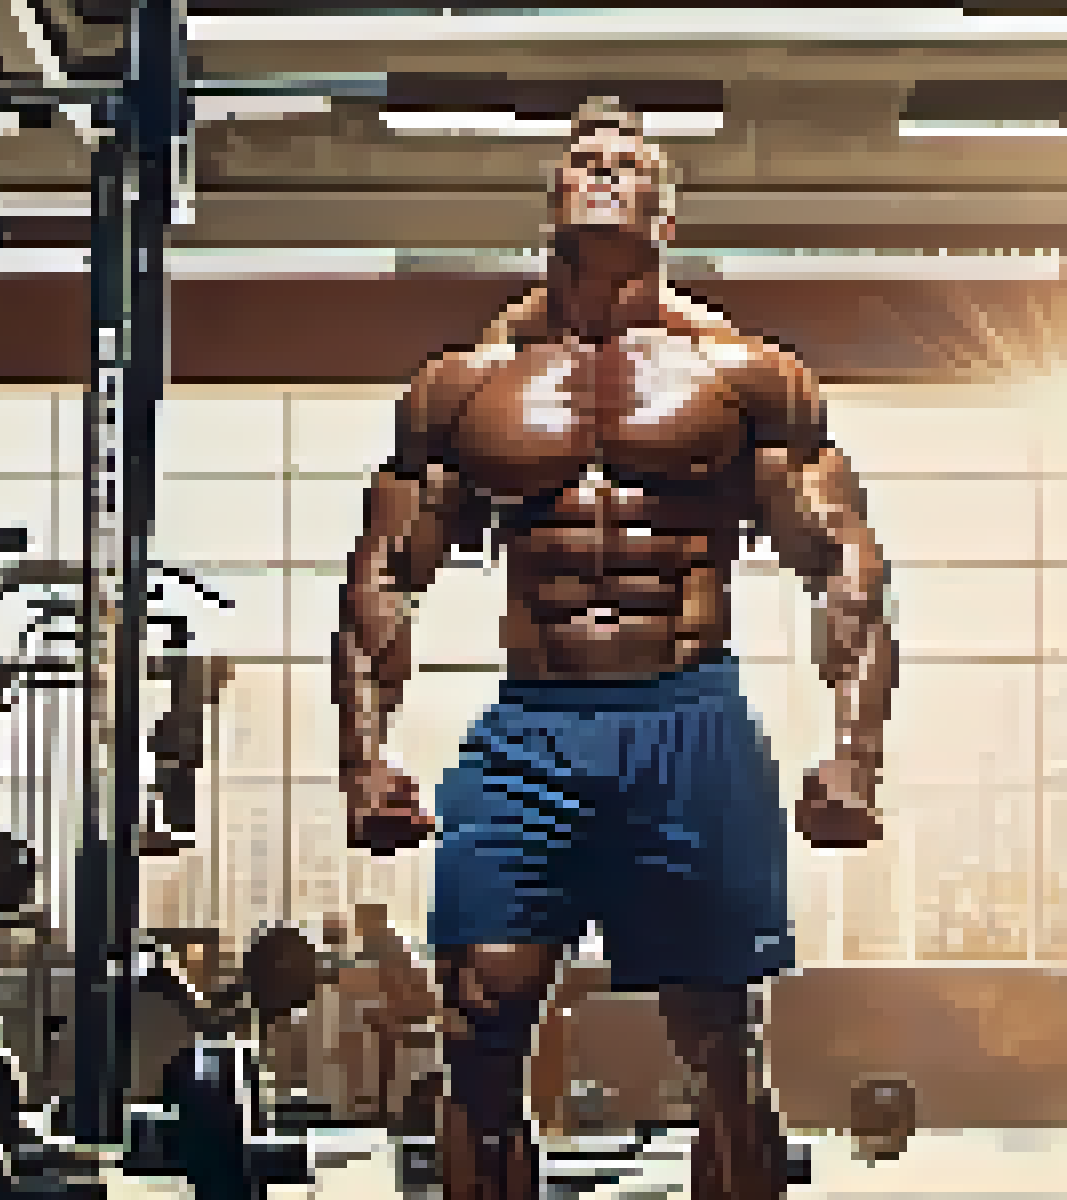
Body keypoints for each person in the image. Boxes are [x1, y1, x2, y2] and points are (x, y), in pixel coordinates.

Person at [332, 96, 899, 1200]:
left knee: (717, 1032)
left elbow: (842, 567)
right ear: (550, 199)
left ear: (665, 212)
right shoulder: (465, 387)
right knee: (480, 1013)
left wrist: (855, 754)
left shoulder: (743, 377)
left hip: (688, 718)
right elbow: (386, 577)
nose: (600, 172)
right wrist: (364, 758)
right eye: (581, 160)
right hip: (535, 726)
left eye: (626, 163)